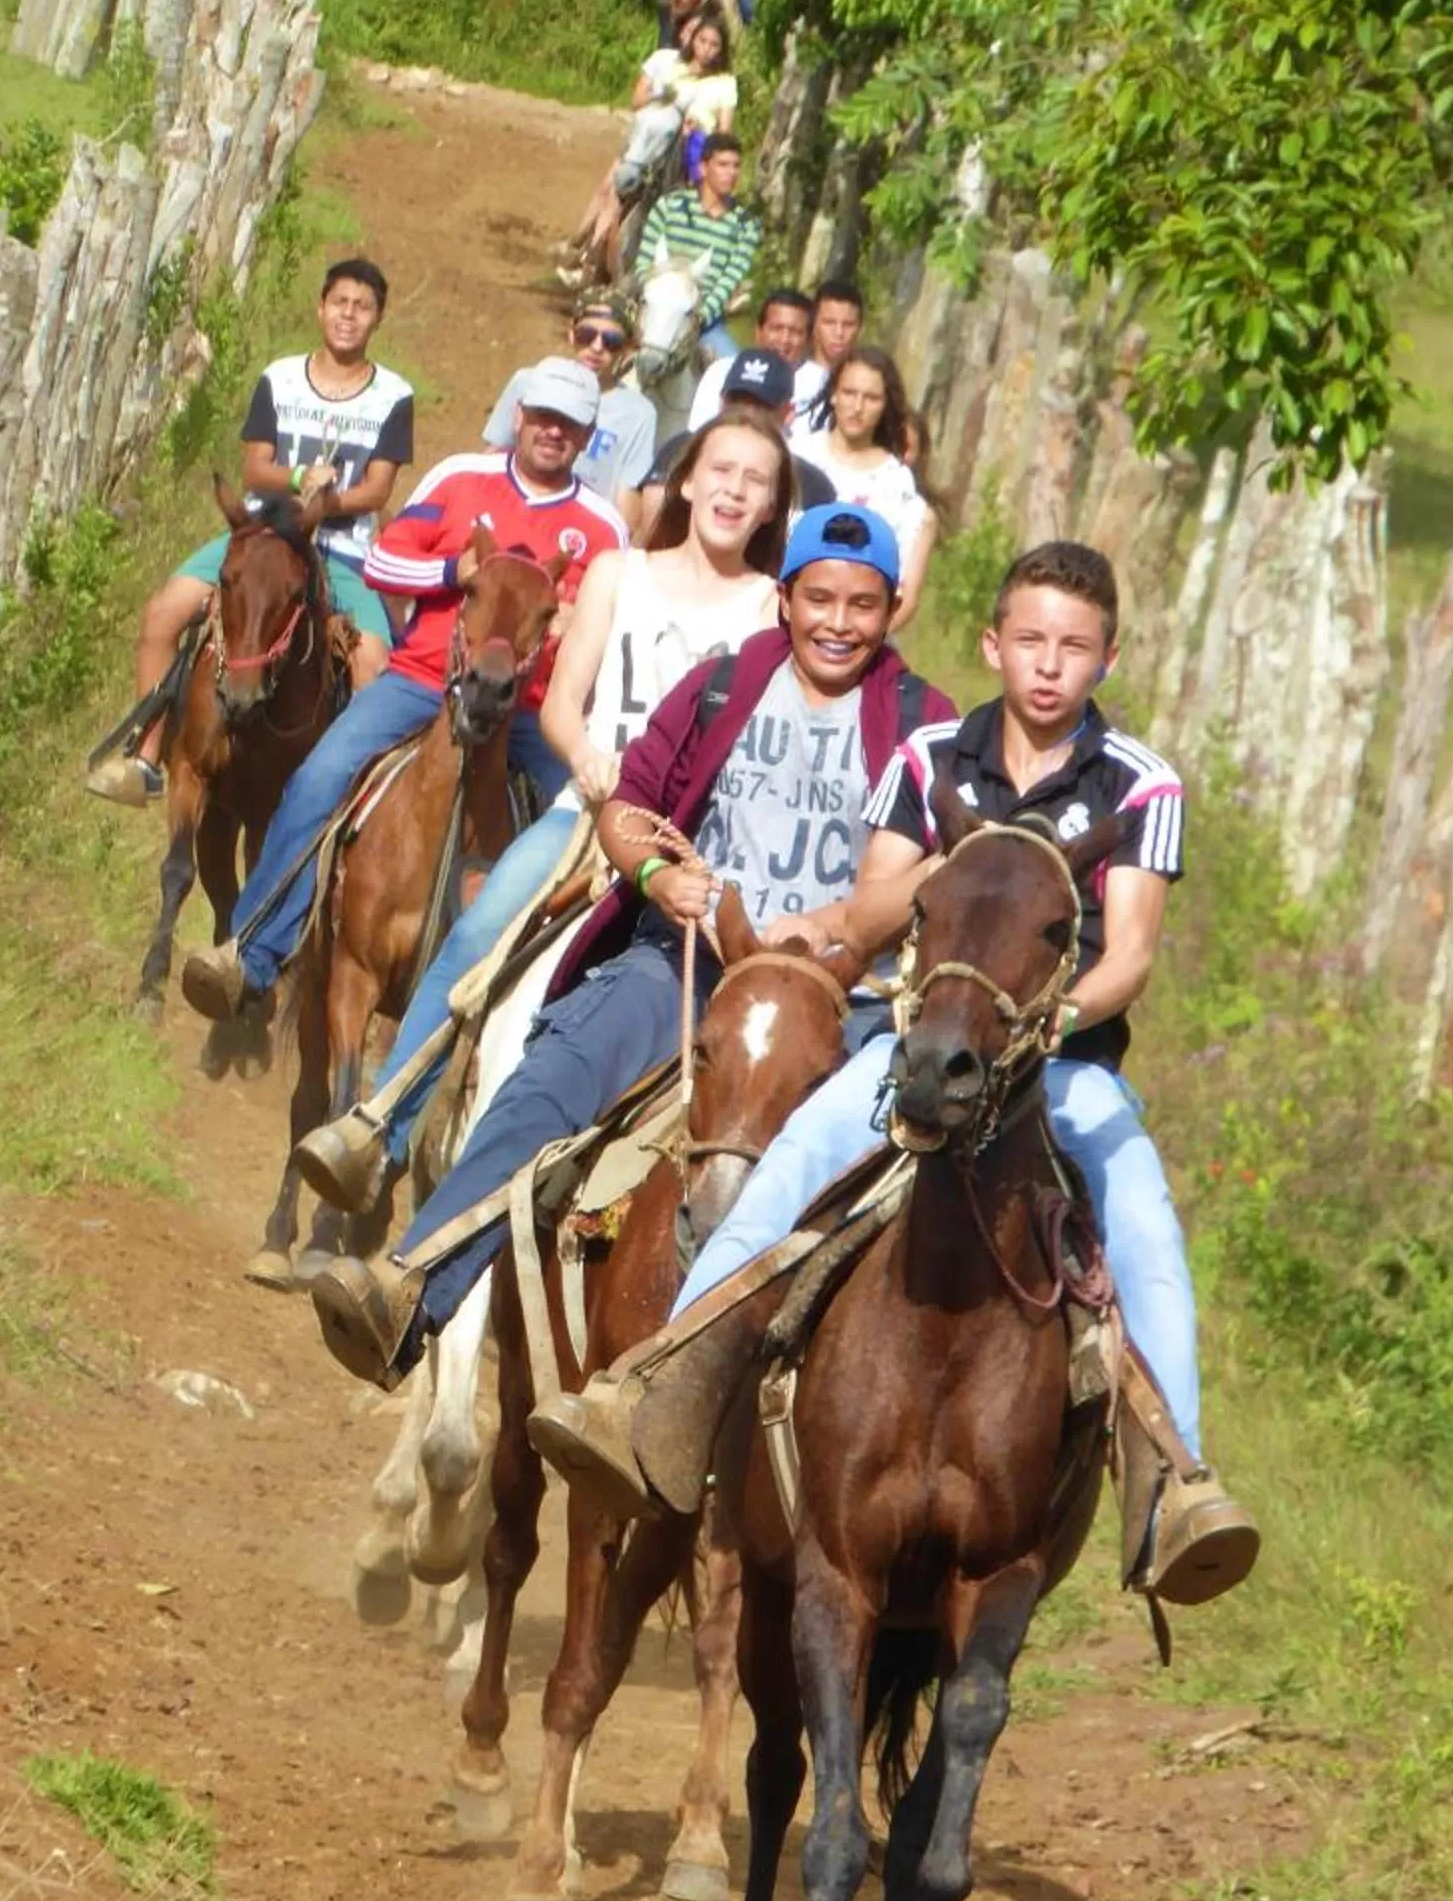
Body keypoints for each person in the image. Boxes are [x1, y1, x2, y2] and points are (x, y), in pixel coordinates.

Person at [533, 538, 1261, 1608]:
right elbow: (875, 910)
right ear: (992, 644)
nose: (1048, 664)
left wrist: (1050, 1019)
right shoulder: (930, 760)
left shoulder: (1140, 783)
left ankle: (1174, 1480)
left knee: (1143, 1215)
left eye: (1074, 646)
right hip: (914, 1051)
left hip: (1060, 1066)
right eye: (1029, 640)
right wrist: (953, 862)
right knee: (781, 1170)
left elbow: (1131, 955)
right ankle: (663, 1389)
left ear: (1108, 658)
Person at [306, 503, 955, 1392]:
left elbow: (934, 871)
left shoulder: (927, 724)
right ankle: (416, 1287)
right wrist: (657, 879)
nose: (839, 624)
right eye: (820, 599)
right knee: (554, 1074)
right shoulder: (721, 684)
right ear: (786, 599)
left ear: (890, 611)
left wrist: (838, 924)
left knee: (911, 1172)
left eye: (863, 605)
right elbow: (629, 805)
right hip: (688, 955)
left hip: (841, 989)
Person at [293, 407, 794, 1216]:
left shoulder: (775, 608)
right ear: (690, 479)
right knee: (479, 933)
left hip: (702, 842)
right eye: (722, 471)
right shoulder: (617, 573)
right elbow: (561, 702)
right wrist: (589, 761)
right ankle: (379, 1130)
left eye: (756, 481)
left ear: (773, 507)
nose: (734, 491)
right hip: (592, 812)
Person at [179, 360, 623, 1029]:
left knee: (578, 838)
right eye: (543, 417)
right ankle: (256, 952)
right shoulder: (458, 477)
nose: (553, 433)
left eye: (570, 423)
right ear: (520, 416)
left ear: (588, 434)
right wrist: (452, 570)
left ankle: (539, 1008)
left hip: (529, 712)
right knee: (319, 776)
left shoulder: (602, 525)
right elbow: (385, 557)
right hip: (420, 682)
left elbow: (609, 618)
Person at [91, 259, 412, 807]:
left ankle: (355, 793)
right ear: (320, 307)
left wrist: (326, 502)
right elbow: (254, 469)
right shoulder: (281, 378)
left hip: (343, 548)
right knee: (164, 612)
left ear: (377, 319)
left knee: (373, 660)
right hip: (261, 537)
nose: (348, 316)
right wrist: (296, 479)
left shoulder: (393, 395)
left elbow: (377, 491)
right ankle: (145, 754)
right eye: (340, 302)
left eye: (362, 307)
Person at [568, 13, 736, 286]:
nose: (706, 48)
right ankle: (592, 257)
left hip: (697, 147)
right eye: (702, 40)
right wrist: (664, 98)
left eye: (713, 44)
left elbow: (725, 130)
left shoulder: (724, 83)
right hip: (657, 143)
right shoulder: (674, 68)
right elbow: (646, 105)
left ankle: (707, 270)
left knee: (712, 201)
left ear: (721, 49)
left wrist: (702, 131)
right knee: (619, 187)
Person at [484, 296, 657, 524]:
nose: (596, 347)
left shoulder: (639, 413)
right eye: (587, 335)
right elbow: (494, 454)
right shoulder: (528, 382)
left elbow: (628, 495)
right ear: (572, 334)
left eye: (611, 341)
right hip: (515, 513)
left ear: (626, 349)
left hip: (583, 530)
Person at [812, 344, 937, 623]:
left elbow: (904, 593)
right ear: (833, 394)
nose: (857, 408)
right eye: (849, 393)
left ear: (885, 406)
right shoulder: (798, 456)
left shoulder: (896, 483)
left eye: (871, 398)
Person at [647, 350, 837, 512]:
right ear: (722, 403)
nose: (746, 415)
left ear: (788, 413)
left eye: (760, 406)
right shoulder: (680, 451)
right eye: (737, 402)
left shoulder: (810, 485)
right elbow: (650, 528)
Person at [634, 133, 761, 365]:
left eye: (736, 166)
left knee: (732, 369)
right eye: (723, 165)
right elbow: (644, 262)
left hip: (704, 321)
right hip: (655, 308)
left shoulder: (746, 226)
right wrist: (654, 297)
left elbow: (728, 282)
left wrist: (698, 318)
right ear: (703, 168)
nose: (731, 173)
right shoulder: (669, 206)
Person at [684, 287, 811, 430]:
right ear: (759, 332)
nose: (784, 339)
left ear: (809, 339)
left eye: (795, 332)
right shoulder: (721, 371)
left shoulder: (820, 384)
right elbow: (698, 431)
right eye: (777, 328)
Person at [788, 278, 865, 441]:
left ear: (860, 329)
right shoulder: (789, 380)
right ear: (814, 325)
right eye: (829, 323)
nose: (839, 333)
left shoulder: (866, 386)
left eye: (848, 324)